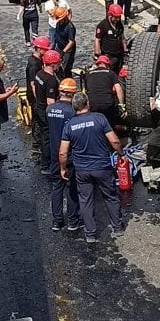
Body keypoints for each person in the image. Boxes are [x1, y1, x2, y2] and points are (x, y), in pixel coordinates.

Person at [58, 92, 125, 242]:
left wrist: (63, 168)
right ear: (87, 104)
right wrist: (121, 154)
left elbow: (63, 152)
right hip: (102, 166)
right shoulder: (99, 118)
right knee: (110, 196)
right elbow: (114, 141)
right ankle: (117, 226)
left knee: (86, 200)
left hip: (82, 169)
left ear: (74, 106)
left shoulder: (69, 125)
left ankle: (90, 234)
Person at [47, 78, 82, 232]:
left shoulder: (50, 109)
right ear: (72, 94)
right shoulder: (72, 111)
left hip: (54, 153)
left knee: (57, 187)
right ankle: (73, 221)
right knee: (73, 187)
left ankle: (57, 220)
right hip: (71, 153)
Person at [31, 50, 62, 163]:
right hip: (45, 111)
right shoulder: (51, 80)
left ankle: (45, 158)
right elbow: (50, 102)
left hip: (39, 107)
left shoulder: (39, 73)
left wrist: (40, 99)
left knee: (44, 135)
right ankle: (47, 161)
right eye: (58, 63)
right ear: (53, 65)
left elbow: (34, 88)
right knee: (49, 137)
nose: (59, 65)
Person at [85, 55, 126, 125]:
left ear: (97, 64)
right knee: (109, 123)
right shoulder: (111, 73)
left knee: (95, 123)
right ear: (107, 65)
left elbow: (85, 91)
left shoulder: (88, 74)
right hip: (107, 103)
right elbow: (118, 89)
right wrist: (121, 105)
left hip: (92, 104)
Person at [94, 4, 129, 72]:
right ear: (110, 15)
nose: (117, 19)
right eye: (115, 17)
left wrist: (125, 49)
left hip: (119, 55)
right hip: (108, 55)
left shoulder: (119, 25)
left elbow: (122, 37)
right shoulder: (103, 25)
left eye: (118, 17)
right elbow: (97, 39)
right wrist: (97, 53)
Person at [52, 7, 77, 78]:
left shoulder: (70, 27)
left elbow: (71, 42)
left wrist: (63, 52)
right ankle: (60, 79)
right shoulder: (58, 24)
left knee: (66, 68)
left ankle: (68, 80)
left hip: (68, 50)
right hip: (59, 47)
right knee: (55, 65)